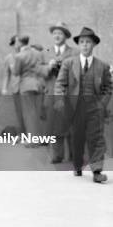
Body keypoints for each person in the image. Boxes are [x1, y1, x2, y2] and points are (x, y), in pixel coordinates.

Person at [54, 27, 111, 183]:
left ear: (94, 45)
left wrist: (102, 104)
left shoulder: (103, 66)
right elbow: (60, 84)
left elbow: (108, 87)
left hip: (95, 107)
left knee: (97, 139)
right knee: (77, 138)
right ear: (79, 45)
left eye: (88, 42)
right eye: (82, 42)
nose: (85, 45)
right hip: (75, 108)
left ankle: (97, 171)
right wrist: (59, 100)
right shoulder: (68, 63)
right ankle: (78, 165)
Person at [38, 23, 78, 163]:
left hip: (69, 92)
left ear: (66, 36)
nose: (56, 36)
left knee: (71, 124)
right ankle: (57, 155)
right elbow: (39, 71)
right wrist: (49, 66)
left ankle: (74, 154)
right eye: (54, 33)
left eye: (60, 33)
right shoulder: (46, 51)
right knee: (54, 124)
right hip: (51, 93)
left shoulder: (74, 52)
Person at [12, 35, 44, 147]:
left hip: (26, 85)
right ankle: (39, 138)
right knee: (36, 112)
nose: (15, 44)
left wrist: (12, 67)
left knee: (28, 113)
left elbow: (16, 72)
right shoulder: (37, 53)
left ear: (20, 43)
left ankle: (32, 139)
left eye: (16, 42)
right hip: (38, 84)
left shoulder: (19, 56)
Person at [2, 35, 24, 135]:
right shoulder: (9, 58)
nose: (18, 45)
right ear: (13, 44)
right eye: (17, 42)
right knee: (19, 112)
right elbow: (6, 74)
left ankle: (31, 134)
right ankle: (22, 133)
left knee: (29, 112)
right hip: (16, 88)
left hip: (27, 87)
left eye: (20, 42)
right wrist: (4, 88)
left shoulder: (26, 54)